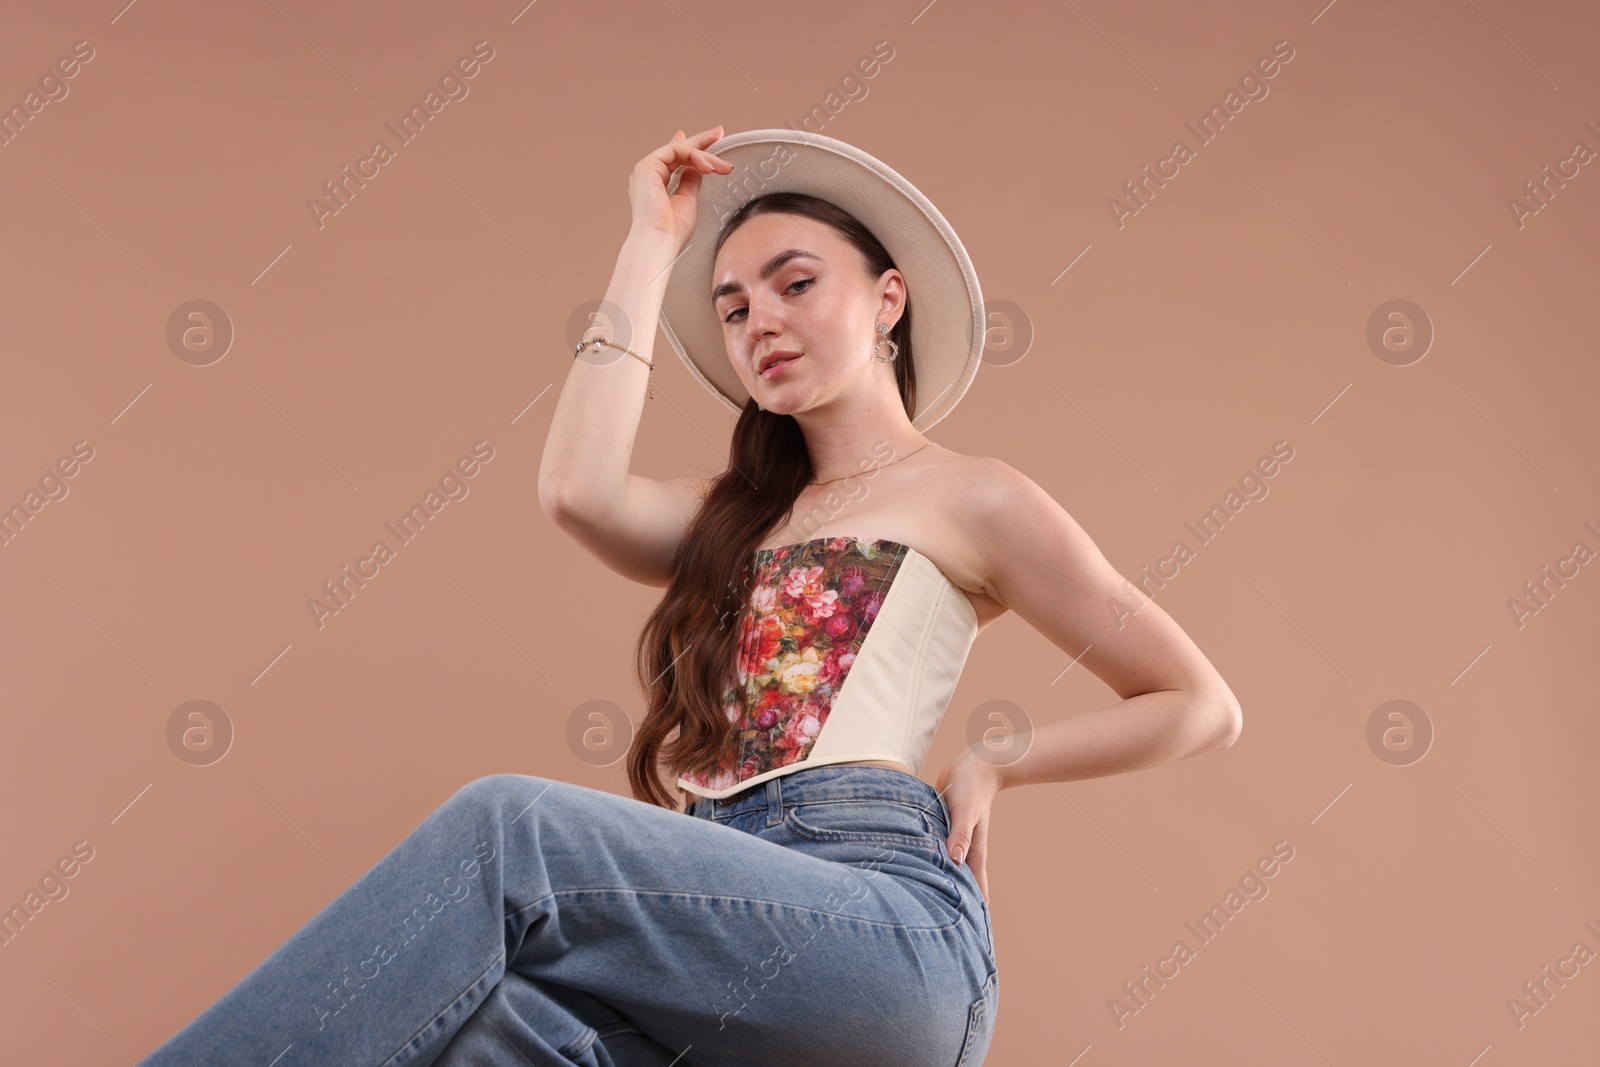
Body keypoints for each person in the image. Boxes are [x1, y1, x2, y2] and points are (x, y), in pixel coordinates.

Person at [136, 126, 1243, 1067]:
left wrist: (996, 755)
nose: (760, 317)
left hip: (878, 924)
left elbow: (1197, 700)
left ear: (887, 298)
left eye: (795, 283)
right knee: (498, 1035)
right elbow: (576, 488)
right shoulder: (735, 517)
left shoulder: (973, 495)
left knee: (507, 827)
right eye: (730, 305)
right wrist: (647, 243)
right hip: (712, 928)